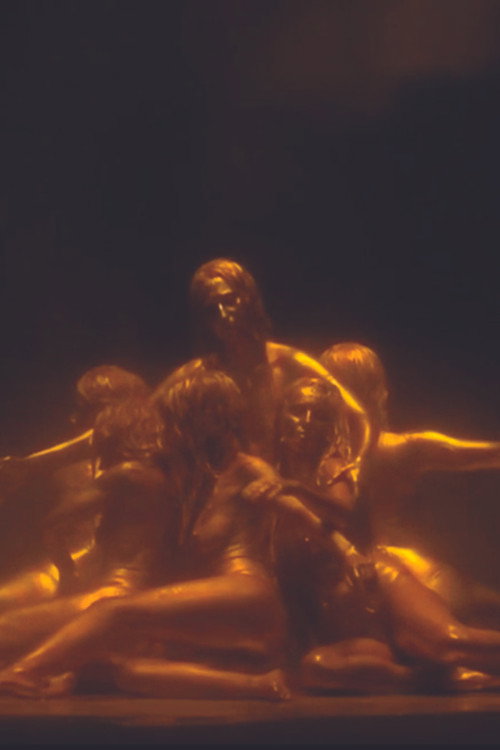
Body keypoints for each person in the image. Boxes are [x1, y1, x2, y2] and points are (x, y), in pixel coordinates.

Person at [0, 371, 290, 699]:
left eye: (175, 422)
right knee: (113, 667)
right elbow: (105, 433)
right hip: (217, 609)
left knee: (114, 611)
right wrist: (32, 465)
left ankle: (22, 673)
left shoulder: (249, 471)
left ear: (211, 419)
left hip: (247, 597)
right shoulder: (192, 478)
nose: (166, 432)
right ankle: (260, 685)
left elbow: (297, 506)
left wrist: (291, 492)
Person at [153, 258, 369, 467]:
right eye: (211, 310)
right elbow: (144, 423)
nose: (223, 315)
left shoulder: (288, 363)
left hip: (285, 484)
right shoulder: (196, 376)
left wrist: (355, 467)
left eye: (229, 301)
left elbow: (359, 418)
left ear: (248, 298)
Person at [0, 366, 152, 611]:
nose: (72, 419)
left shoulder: (137, 470)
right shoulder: (72, 468)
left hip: (107, 584)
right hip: (66, 573)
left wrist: (69, 574)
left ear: (108, 410)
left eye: (83, 409)